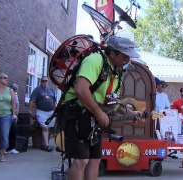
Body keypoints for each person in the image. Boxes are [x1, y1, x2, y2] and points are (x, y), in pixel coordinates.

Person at [61, 36, 142, 180]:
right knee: (81, 161)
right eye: (125, 56)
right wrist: (99, 113)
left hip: (92, 117)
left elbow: (112, 100)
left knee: (94, 160)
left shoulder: (116, 72)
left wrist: (129, 112)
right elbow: (81, 90)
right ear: (113, 53)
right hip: (77, 113)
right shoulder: (95, 60)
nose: (127, 60)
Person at [29, 76, 57, 152]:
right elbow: (32, 100)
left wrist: (56, 110)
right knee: (45, 127)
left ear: (48, 82)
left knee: (48, 128)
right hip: (41, 112)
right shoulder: (37, 90)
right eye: (43, 81)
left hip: (51, 112)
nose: (44, 82)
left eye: (46, 81)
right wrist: (30, 110)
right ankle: (47, 145)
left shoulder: (51, 90)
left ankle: (44, 144)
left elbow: (54, 101)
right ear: (40, 82)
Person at [7, 83, 20, 154]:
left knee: (14, 131)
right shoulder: (7, 93)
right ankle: (5, 148)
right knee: (6, 132)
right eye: (14, 90)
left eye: (15, 90)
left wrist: (16, 112)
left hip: (13, 115)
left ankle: (12, 148)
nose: (15, 91)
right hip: (7, 114)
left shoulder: (15, 94)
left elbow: (17, 103)